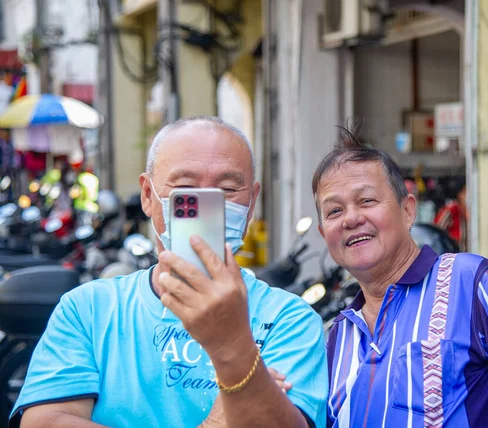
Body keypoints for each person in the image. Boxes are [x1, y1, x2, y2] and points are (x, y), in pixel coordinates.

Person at [10, 116, 328, 428]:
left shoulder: (291, 320)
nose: (208, 204)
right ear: (148, 196)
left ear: (252, 201)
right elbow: (44, 422)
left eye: (228, 189)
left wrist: (233, 343)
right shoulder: (88, 309)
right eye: (186, 188)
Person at [312, 127, 488, 427]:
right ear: (324, 232)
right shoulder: (339, 336)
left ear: (408, 210)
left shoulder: (474, 284)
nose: (351, 218)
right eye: (335, 210)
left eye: (366, 201)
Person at [434, 177, 468, 252]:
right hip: (451, 254)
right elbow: (437, 229)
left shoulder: (464, 210)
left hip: (463, 253)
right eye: (465, 191)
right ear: (460, 194)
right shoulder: (452, 209)